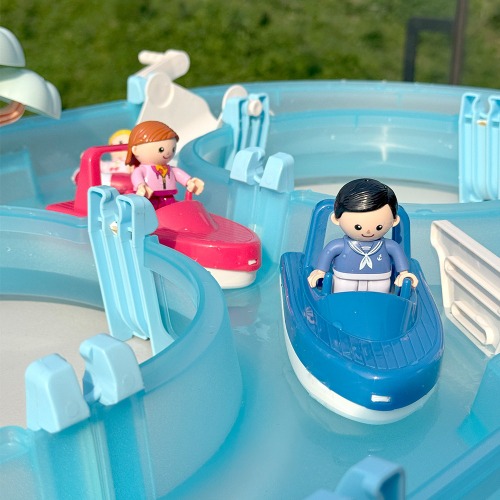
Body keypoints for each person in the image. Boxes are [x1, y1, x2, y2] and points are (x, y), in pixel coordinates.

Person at [307, 178, 418, 293]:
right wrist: (320, 271)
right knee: (343, 294)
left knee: (379, 297)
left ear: (395, 221)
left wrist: (404, 273)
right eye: (358, 227)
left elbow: (399, 256)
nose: (368, 231)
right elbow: (328, 253)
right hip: (345, 278)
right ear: (336, 219)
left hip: (380, 279)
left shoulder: (389, 246)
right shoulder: (339, 246)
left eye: (378, 227)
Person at [125, 120, 204, 209]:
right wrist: (141, 185)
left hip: (168, 197)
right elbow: (137, 176)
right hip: (150, 197)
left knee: (172, 209)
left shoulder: (171, 169)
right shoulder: (142, 169)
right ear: (135, 150)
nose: (168, 153)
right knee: (150, 210)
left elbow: (179, 174)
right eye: (161, 150)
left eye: (173, 149)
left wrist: (189, 182)